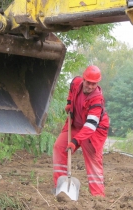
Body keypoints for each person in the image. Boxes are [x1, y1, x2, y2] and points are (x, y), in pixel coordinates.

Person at [53, 65, 110, 197]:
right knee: (59, 147)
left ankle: (98, 196)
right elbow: (72, 90)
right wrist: (69, 102)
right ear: (83, 79)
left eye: (93, 84)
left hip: (94, 130)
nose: (90, 86)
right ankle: (61, 187)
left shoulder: (97, 100)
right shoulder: (76, 82)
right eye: (88, 82)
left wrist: (75, 141)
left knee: (92, 159)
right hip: (75, 124)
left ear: (97, 84)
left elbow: (90, 126)